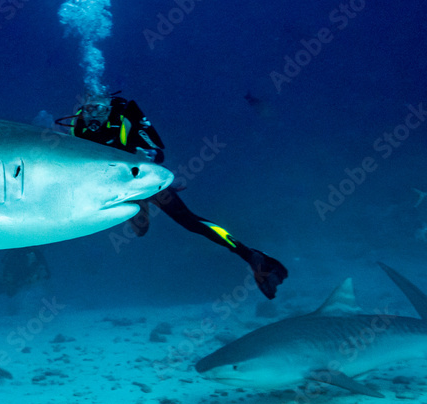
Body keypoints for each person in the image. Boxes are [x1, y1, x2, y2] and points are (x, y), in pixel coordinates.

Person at [59, 95, 288, 299]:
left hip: (144, 182)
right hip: (111, 188)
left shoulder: (125, 119)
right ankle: (141, 206)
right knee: (140, 232)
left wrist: (145, 154)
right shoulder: (78, 128)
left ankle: (251, 255)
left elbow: (157, 151)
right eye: (88, 110)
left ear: (109, 110)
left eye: (99, 109)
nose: (93, 116)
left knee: (189, 222)